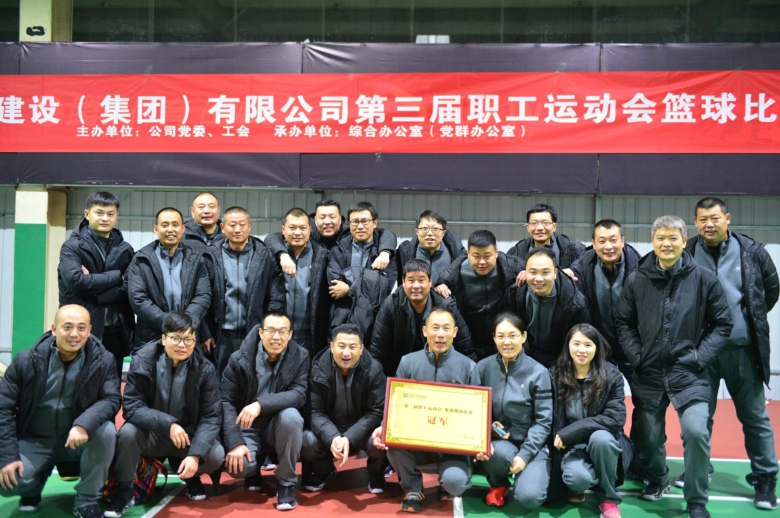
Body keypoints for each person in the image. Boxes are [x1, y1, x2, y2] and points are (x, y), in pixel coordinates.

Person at [615, 215, 732, 518]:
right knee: (649, 438)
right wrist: (638, 356)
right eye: (660, 238)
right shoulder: (637, 279)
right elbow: (623, 322)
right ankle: (658, 478)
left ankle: (696, 500)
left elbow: (722, 324)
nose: (666, 244)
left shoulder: (703, 279)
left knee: (696, 431)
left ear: (684, 240)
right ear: (652, 241)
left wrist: (698, 357)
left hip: (690, 374)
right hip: (649, 373)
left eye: (673, 238)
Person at [675, 197, 778, 509]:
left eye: (715, 218)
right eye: (703, 219)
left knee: (755, 418)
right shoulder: (686, 252)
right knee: (698, 419)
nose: (709, 224)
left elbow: (770, 291)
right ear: (695, 222)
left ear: (727, 218)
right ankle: (699, 470)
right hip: (701, 354)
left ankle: (765, 480)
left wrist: (745, 319)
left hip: (742, 352)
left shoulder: (752, 252)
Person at [0, 305, 119, 517]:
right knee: (7, 483)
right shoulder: (26, 360)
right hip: (34, 440)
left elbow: (111, 399)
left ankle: (86, 501)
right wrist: (7, 456)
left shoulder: (104, 360)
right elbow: (3, 408)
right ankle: (32, 488)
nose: (75, 334)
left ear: (89, 330)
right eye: (68, 327)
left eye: (81, 328)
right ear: (54, 329)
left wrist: (84, 424)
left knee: (107, 432)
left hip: (75, 441)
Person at [109, 312, 223, 515]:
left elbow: (211, 416)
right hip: (152, 433)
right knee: (127, 434)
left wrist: (195, 456)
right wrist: (168, 424)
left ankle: (190, 474)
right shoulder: (142, 360)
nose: (182, 345)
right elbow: (132, 406)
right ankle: (125, 489)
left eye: (188, 339)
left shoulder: (205, 369)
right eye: (176, 338)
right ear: (163, 338)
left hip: (187, 437)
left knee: (216, 454)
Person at [372, 307, 480, 513]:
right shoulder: (408, 362)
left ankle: (447, 481)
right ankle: (413, 488)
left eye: (446, 328)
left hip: (452, 445)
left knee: (455, 483)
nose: (440, 334)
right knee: (391, 440)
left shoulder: (469, 367)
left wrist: (480, 440)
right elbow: (396, 405)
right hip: (417, 440)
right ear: (424, 331)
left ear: (455, 332)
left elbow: (476, 415)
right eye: (435, 328)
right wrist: (384, 426)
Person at [220, 312, 309, 511]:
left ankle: (286, 483)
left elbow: (299, 394)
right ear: (261, 332)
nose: (276, 337)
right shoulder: (239, 359)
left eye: (282, 332)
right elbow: (226, 401)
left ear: (290, 335)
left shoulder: (301, 356)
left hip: (278, 425)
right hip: (247, 427)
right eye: (271, 331)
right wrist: (235, 442)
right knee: (239, 467)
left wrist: (260, 404)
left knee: (292, 417)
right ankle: (254, 468)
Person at [475, 312, 552, 511]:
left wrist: (525, 455)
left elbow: (543, 422)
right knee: (493, 452)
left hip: (532, 445)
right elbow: (475, 411)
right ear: (494, 338)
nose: (506, 342)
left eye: (512, 335)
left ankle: (529, 476)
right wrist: (488, 428)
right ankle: (498, 484)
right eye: (500, 336)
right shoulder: (482, 368)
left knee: (529, 498)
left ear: (523, 337)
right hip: (502, 443)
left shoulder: (539, 372)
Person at [550, 324, 629, 518]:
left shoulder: (612, 375)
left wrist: (570, 432)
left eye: (588, 345)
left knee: (602, 438)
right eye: (576, 344)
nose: (581, 350)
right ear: (568, 346)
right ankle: (581, 481)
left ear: (597, 348)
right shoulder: (555, 374)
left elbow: (615, 417)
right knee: (577, 480)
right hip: (570, 447)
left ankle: (608, 498)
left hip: (602, 444)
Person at [301, 323, 388, 494]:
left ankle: (376, 472)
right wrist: (333, 436)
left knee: (379, 440)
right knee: (306, 441)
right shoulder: (318, 368)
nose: (346, 353)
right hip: (331, 425)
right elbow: (315, 412)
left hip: (362, 427)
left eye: (352, 347)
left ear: (361, 349)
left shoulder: (374, 369)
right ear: (332, 347)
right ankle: (324, 469)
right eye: (341, 346)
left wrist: (349, 437)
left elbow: (376, 412)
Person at [58, 191, 135, 379]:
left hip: (116, 331)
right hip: (81, 330)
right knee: (80, 384)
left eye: (110, 214)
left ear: (116, 216)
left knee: (111, 385)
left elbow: (130, 286)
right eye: (99, 213)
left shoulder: (125, 249)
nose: (105, 218)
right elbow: (77, 282)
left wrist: (96, 292)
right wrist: (117, 276)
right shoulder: (72, 247)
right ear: (87, 214)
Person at [203, 206, 285, 374]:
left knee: (251, 380)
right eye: (232, 225)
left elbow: (276, 296)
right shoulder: (210, 256)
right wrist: (205, 331)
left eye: (242, 224)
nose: (237, 230)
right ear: (222, 227)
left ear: (249, 225)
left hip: (254, 333)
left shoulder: (264, 256)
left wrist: (266, 330)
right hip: (220, 335)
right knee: (221, 380)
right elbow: (201, 296)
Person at [126, 207, 211, 350]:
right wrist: (170, 324)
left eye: (175, 225)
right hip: (150, 337)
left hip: (187, 336)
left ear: (183, 228)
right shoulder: (141, 259)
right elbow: (138, 299)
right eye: (164, 225)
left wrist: (185, 324)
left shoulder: (197, 259)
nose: (170, 230)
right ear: (156, 229)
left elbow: (203, 296)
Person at [370, 259, 474, 376]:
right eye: (411, 280)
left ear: (430, 281)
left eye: (421, 280)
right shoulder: (392, 304)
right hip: (402, 371)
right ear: (403, 281)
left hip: (441, 372)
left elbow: (465, 347)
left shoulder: (446, 306)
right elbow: (377, 350)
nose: (416, 286)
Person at [566, 219, 641, 376]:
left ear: (622, 241)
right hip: (598, 355)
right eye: (602, 241)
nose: (608, 247)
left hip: (634, 354)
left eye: (613, 240)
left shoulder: (641, 269)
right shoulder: (579, 271)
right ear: (593, 243)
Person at [435, 229, 524, 359]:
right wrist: (440, 285)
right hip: (468, 338)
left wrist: (528, 273)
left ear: (496, 253)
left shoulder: (513, 267)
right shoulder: (455, 275)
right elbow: (443, 281)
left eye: (487, 256)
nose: (482, 262)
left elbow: (536, 270)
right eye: (476, 256)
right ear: (468, 253)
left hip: (500, 337)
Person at [327, 201, 398, 343]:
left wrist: (349, 290)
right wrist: (369, 281)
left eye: (365, 221)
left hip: (375, 321)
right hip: (342, 319)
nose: (360, 226)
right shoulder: (337, 251)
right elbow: (335, 285)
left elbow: (383, 288)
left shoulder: (385, 254)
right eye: (355, 222)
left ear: (375, 223)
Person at [507, 247, 589, 367]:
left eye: (545, 272)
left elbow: (581, 340)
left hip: (561, 359)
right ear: (525, 272)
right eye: (533, 272)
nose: (539, 279)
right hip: (525, 356)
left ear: (555, 273)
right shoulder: (514, 294)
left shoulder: (575, 303)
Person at [270, 208, 331, 356]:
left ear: (310, 230)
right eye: (292, 228)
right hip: (279, 334)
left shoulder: (322, 256)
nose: (297, 233)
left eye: (303, 228)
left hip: (311, 334)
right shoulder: (272, 255)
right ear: (283, 230)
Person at [395, 210, 465, 285]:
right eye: (425, 228)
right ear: (417, 231)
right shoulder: (405, 252)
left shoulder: (456, 253)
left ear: (443, 233)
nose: (430, 233)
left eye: (435, 229)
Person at [507, 203, 586, 269]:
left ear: (554, 227)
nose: (539, 228)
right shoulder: (516, 252)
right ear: (528, 227)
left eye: (545, 223)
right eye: (534, 223)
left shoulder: (576, 249)